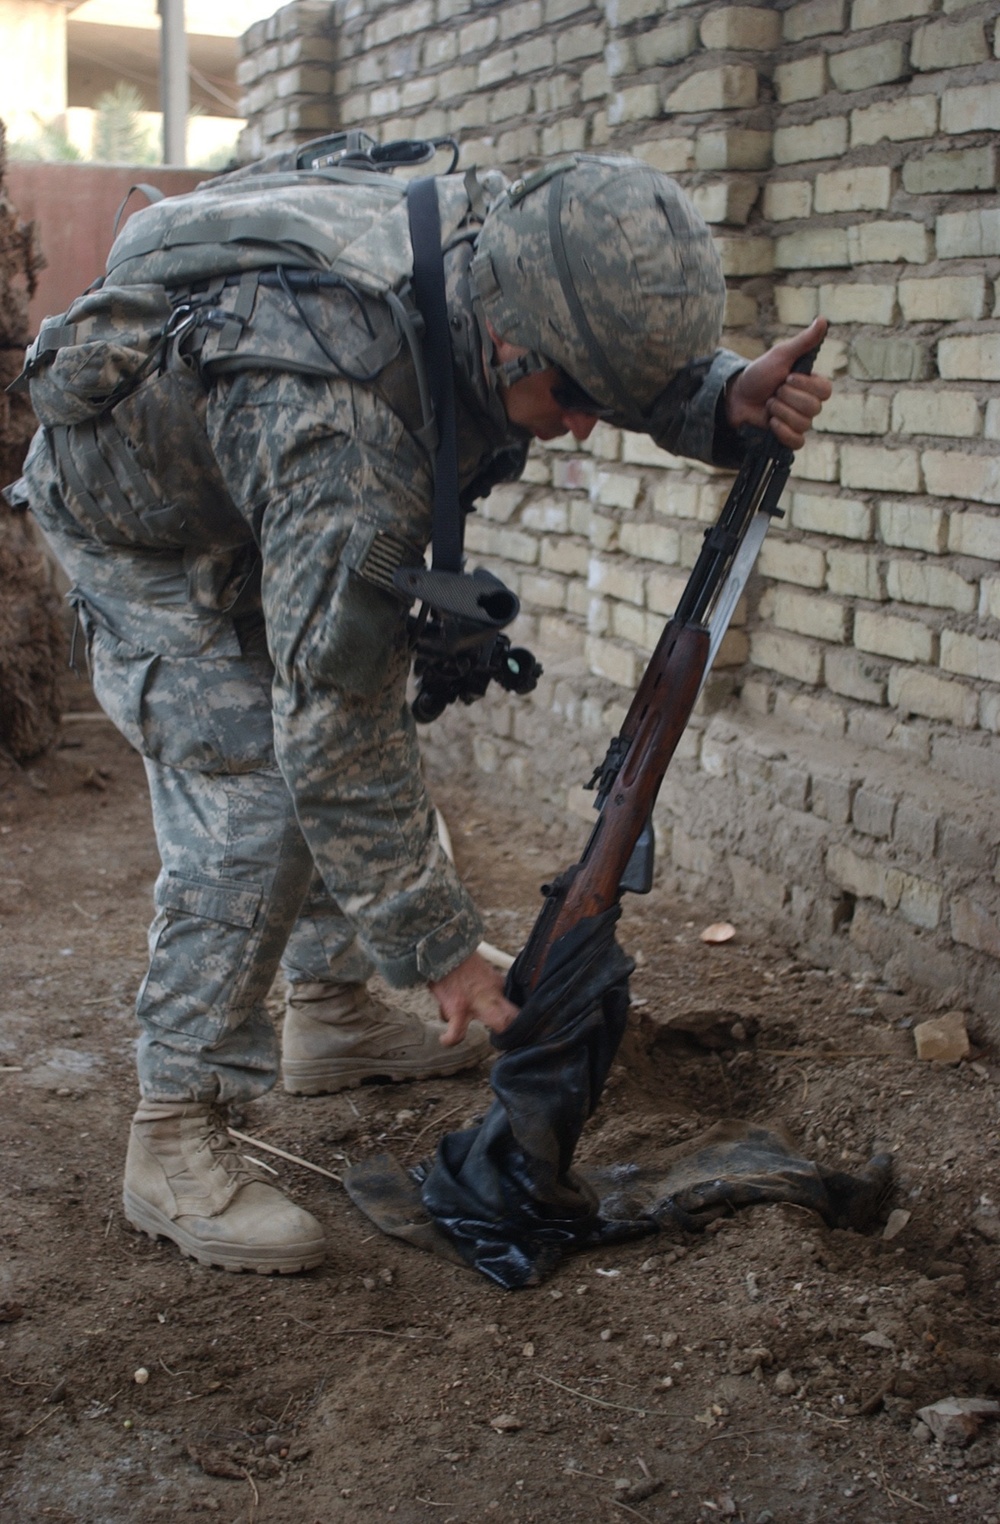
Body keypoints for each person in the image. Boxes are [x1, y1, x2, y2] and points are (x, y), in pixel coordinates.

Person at [15, 150, 830, 1275]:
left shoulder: (513, 256)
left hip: (257, 487)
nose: (588, 429)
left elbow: (591, 365)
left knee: (338, 714)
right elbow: (334, 728)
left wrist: (713, 401)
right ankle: (172, 1136)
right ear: (506, 341)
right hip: (150, 540)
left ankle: (334, 1016)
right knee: (256, 784)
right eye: (577, 400)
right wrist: (439, 950)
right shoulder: (338, 436)